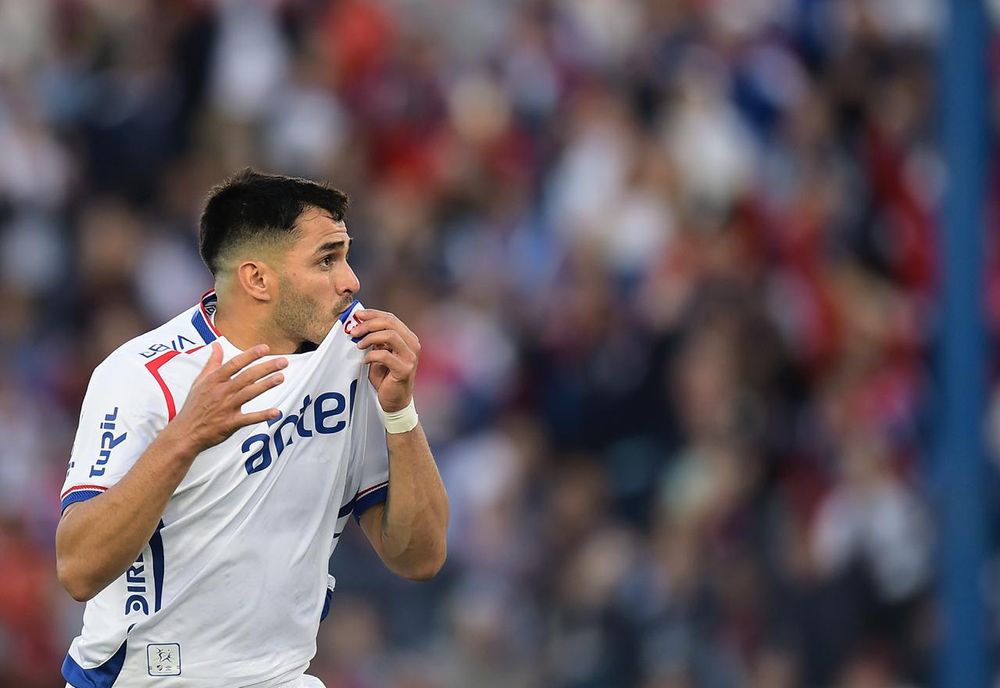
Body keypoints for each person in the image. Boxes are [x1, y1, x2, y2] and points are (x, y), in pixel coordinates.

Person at [54, 169, 449, 687]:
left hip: (280, 676)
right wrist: (186, 436)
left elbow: (419, 556)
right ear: (258, 279)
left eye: (346, 255)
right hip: (147, 677)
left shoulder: (355, 361)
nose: (351, 280)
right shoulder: (142, 377)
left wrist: (400, 412)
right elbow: (78, 569)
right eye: (327, 259)